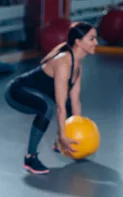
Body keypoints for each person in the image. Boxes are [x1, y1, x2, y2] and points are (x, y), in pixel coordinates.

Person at [5, 22, 98, 174]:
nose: (96, 42)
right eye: (92, 39)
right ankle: (30, 158)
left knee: (68, 104)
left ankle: (58, 144)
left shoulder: (77, 66)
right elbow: (59, 106)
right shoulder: (63, 62)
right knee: (47, 107)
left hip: (37, 94)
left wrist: (77, 134)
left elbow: (75, 101)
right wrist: (63, 135)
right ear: (78, 42)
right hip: (17, 91)